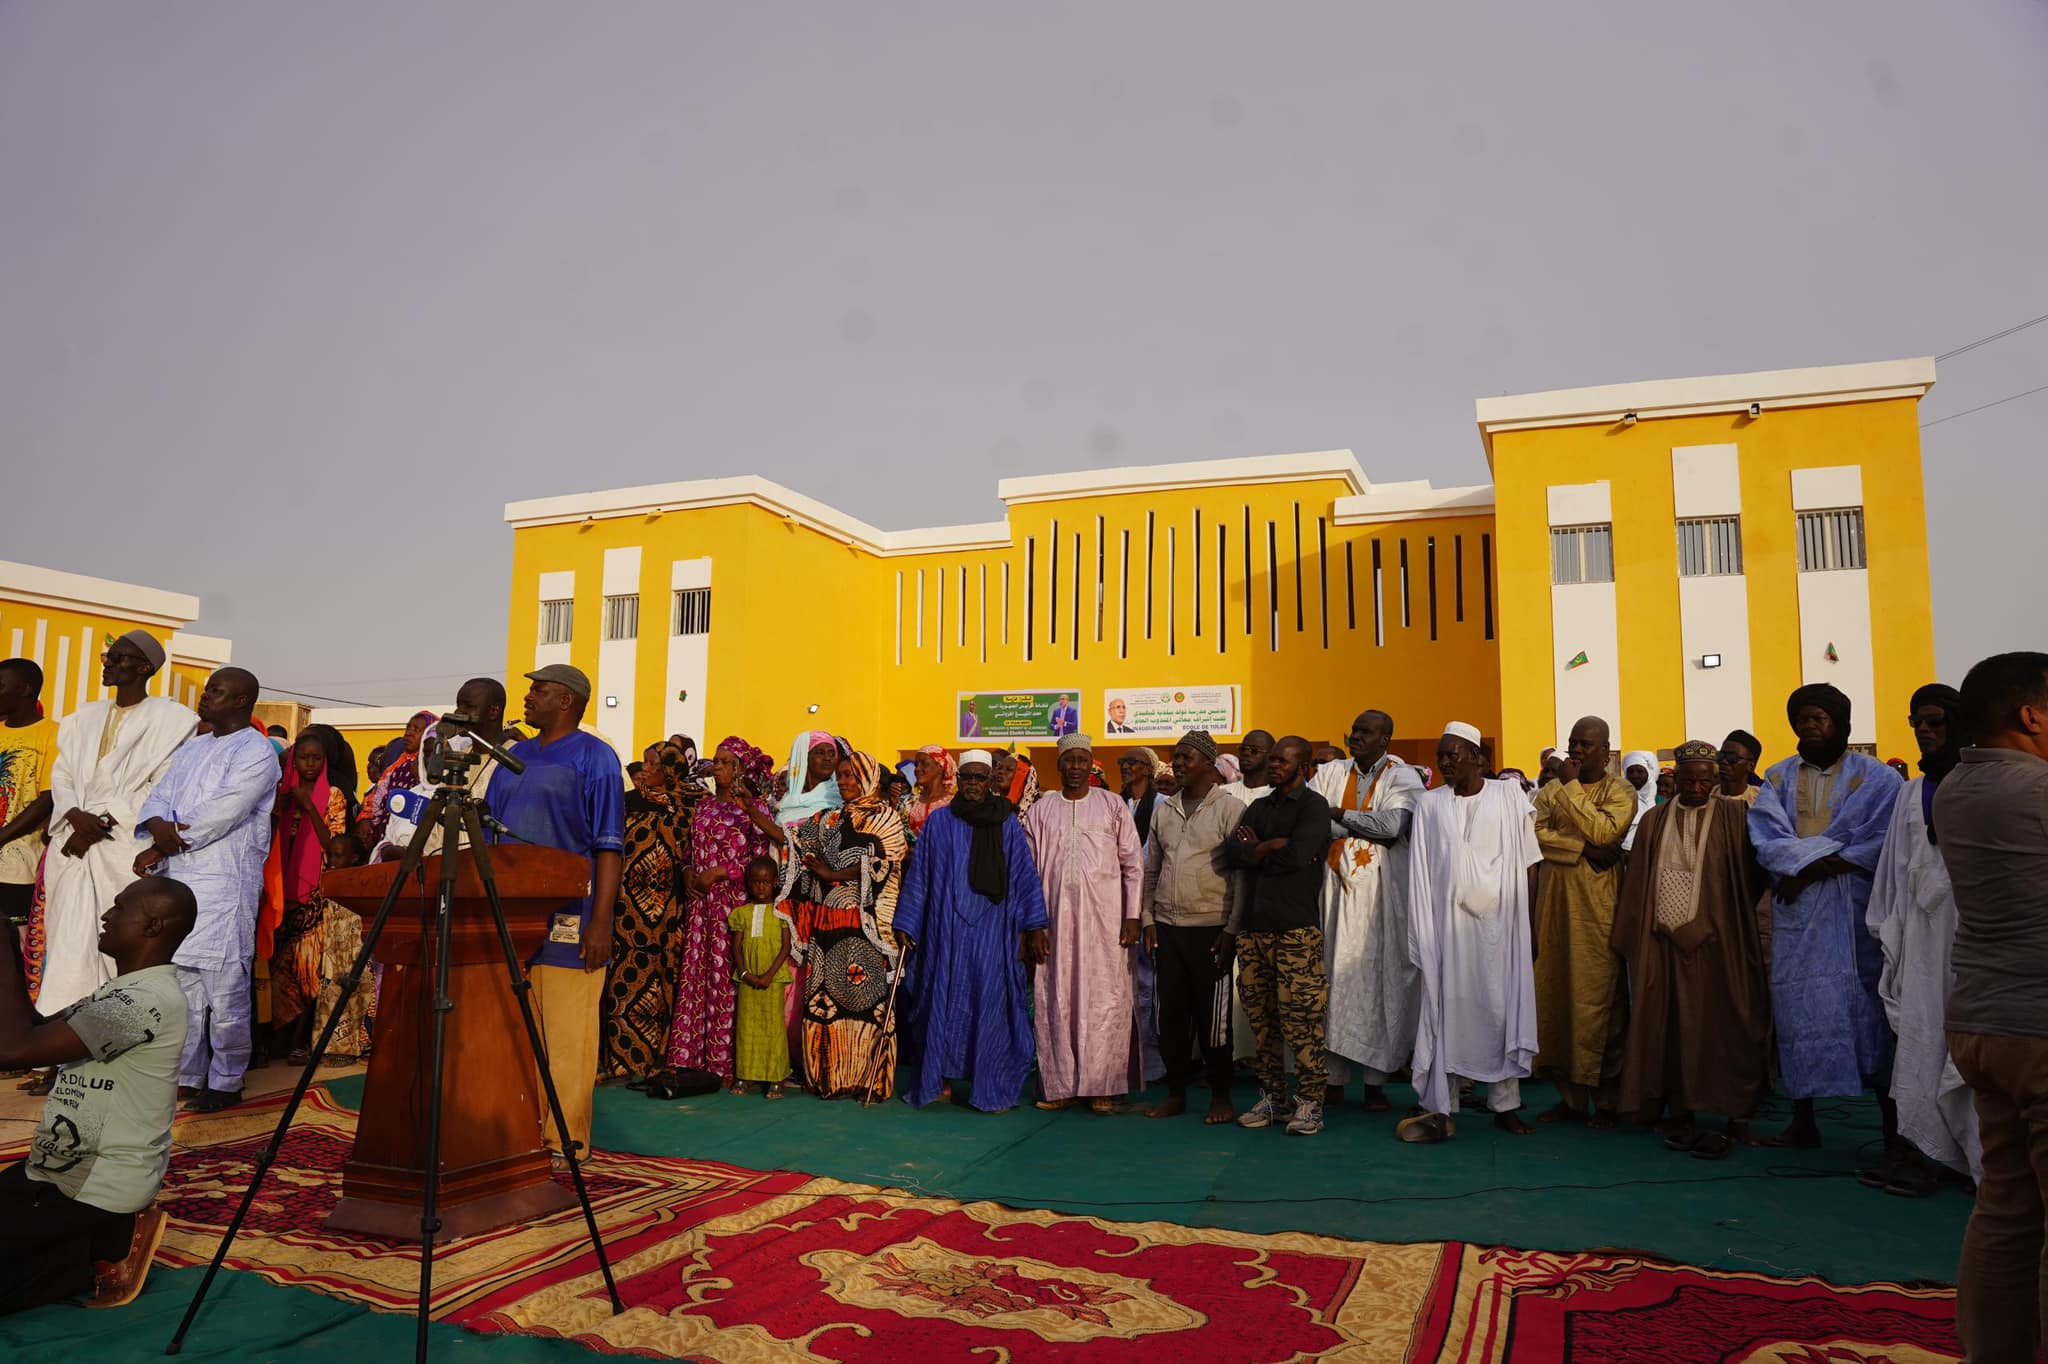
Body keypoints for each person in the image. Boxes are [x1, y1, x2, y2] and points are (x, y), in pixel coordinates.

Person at [0, 876, 196, 1314]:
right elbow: (32, 1029)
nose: (106, 915)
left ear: (152, 926)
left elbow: (13, 1050)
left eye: (120, 908)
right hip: (52, 1174)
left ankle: (106, 1246)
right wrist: (12, 947)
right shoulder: (118, 992)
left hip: (93, 1189)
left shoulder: (147, 1002)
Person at [1935, 652, 2048, 1362]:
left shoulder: (1954, 788)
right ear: (2031, 716)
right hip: (2040, 1027)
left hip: (1982, 1022)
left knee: (2007, 1209)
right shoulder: (2036, 791)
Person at [1749, 681, 1902, 1151]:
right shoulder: (1775, 778)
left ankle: (1893, 1131)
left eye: (1819, 718)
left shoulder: (1878, 778)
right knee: (1799, 1013)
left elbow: (1883, 839)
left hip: (1854, 914)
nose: (1809, 727)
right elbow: (1767, 837)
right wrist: (1800, 867)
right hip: (1799, 917)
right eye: (1802, 719)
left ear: (1841, 723)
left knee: (1871, 1010)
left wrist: (1810, 868)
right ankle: (1803, 1122)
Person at [483, 664, 623, 1160]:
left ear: (566, 701)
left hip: (573, 916)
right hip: (512, 917)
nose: (527, 698)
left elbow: (609, 846)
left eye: (537, 691)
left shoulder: (596, 758)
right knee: (518, 1031)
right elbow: (489, 835)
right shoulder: (511, 757)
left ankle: (566, 1139)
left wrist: (601, 921)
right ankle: (520, 1131)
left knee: (567, 1035)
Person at [1610, 740, 1770, 1156]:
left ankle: (1737, 1116)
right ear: (1674, 779)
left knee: (1730, 1023)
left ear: (1715, 779)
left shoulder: (1736, 817)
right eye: (1688, 779)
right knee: (1670, 1028)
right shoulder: (1654, 820)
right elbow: (1637, 883)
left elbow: (1751, 880)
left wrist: (1724, 923)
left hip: (1720, 945)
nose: (1696, 787)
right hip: (1662, 946)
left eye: (1704, 779)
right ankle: (1679, 1112)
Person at [35, 633, 194, 1040]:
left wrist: (100, 823)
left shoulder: (173, 721)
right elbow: (63, 774)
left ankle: (107, 1039)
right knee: (69, 944)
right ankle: (61, 1045)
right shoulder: (80, 718)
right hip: (71, 840)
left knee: (118, 942)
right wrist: (73, 814)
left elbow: (161, 785)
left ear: (144, 668)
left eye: (118, 658)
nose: (108, 664)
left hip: (122, 845)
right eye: (108, 657)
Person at [133, 667, 276, 1113]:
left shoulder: (257, 752)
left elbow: (225, 810)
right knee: (184, 983)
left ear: (241, 701)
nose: (206, 697)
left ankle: (228, 1078)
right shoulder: (194, 746)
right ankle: (190, 1075)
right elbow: (161, 794)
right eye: (208, 689)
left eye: (216, 691)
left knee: (226, 982)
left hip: (224, 879)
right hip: (179, 875)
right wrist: (158, 826)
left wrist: (167, 837)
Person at [1399, 722, 1542, 1144]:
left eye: (1453, 755)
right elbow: (1421, 873)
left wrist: (1528, 924)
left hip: (1500, 932)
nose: (1444, 762)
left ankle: (1505, 1107)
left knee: (1501, 1011)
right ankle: (1442, 1107)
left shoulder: (1507, 796)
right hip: (1448, 932)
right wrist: (1424, 931)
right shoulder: (1430, 804)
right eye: (1441, 755)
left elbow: (1530, 862)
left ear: (1477, 758)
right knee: (1447, 1012)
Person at [1866, 683, 1980, 1196]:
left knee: (1970, 1048)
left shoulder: (1982, 784)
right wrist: (1891, 930)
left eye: (1935, 721)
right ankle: (1929, 1154)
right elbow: (1893, 869)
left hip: (1973, 938)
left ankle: (1976, 1160)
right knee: (1922, 1039)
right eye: (1917, 723)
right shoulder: (1911, 791)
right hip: (1920, 940)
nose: (1925, 731)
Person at [895, 751, 1049, 1112]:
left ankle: (990, 1088)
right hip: (945, 930)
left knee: (990, 1006)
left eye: (981, 778)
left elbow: (1024, 876)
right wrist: (908, 920)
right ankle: (939, 1079)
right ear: (958, 780)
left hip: (993, 931)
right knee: (940, 1002)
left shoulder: (1007, 822)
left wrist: (1034, 926)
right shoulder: (939, 823)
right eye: (968, 778)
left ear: (991, 780)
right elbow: (920, 876)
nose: (975, 785)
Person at [1311, 709, 1424, 1114]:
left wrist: (1339, 817)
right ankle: (1333, 1080)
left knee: (1381, 981)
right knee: (1332, 979)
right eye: (1353, 729)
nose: (1354, 736)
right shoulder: (1330, 772)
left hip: (1382, 896)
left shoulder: (1402, 775)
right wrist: (1362, 824)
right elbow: (1309, 819)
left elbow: (1394, 826)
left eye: (1364, 732)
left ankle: (1376, 1083)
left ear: (1385, 740)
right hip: (1334, 894)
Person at [1024, 734, 1144, 1114]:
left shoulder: (1111, 806)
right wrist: (1033, 925)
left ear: (1090, 764)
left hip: (1106, 924)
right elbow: (1027, 873)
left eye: (1081, 760)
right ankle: (1060, 1085)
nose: (1074, 766)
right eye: (1068, 760)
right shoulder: (1041, 811)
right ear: (1059, 765)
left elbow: (1133, 864)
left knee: (1104, 998)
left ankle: (1102, 1086)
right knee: (1055, 997)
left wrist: (1133, 915)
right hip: (1053, 924)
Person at [654, 736, 778, 1094]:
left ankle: (725, 1062)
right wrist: (691, 872)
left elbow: (762, 860)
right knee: (698, 976)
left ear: (741, 768)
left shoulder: (754, 809)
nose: (717, 768)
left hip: (734, 905)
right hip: (701, 905)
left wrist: (721, 872)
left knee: (726, 978)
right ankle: (691, 1058)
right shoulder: (706, 806)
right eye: (717, 762)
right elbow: (694, 849)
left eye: (725, 762)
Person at [783, 751, 910, 1101]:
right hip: (827, 922)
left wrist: (833, 873)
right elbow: (795, 845)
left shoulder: (886, 818)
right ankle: (829, 1077)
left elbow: (890, 863)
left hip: (865, 924)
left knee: (864, 999)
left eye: (851, 775)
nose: (843, 781)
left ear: (868, 777)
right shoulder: (827, 818)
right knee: (827, 999)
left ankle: (865, 1077)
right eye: (840, 775)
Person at [1530, 715, 1636, 1127]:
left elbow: (1606, 832)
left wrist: (1570, 787)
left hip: (1598, 909)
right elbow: (1534, 833)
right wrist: (1580, 849)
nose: (1575, 750)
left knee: (1600, 1000)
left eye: (1586, 745)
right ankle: (1571, 1100)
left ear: (1606, 751)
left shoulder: (1620, 789)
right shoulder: (1550, 790)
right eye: (1573, 742)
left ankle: (1607, 1101)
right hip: (1556, 904)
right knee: (1556, 995)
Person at [1226, 735, 1334, 1136]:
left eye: (1281, 761)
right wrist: (1268, 847)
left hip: (1295, 930)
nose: (1272, 766)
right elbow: (1231, 851)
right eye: (1271, 760)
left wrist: (1260, 850)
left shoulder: (1313, 806)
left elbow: (1300, 856)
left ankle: (1310, 1102)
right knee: (1261, 1017)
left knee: (1302, 1019)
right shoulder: (1258, 806)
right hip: (1255, 930)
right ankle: (1273, 1096)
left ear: (1302, 766)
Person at [1140, 730, 1246, 1123]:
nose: (1178, 764)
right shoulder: (1163, 809)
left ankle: (1221, 1096)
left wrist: (1232, 929)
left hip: (1212, 928)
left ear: (1208, 763)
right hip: (1167, 927)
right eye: (1175, 757)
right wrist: (1149, 918)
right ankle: (1176, 1094)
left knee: (1212, 1019)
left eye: (1186, 758)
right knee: (1170, 1016)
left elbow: (1240, 877)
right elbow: (1152, 870)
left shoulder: (1229, 809)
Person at [600, 741, 691, 1083]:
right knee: (625, 982)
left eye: (654, 764)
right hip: (628, 913)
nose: (645, 770)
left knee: (664, 984)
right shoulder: (627, 804)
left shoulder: (687, 808)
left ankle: (657, 1058)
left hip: (669, 913)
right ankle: (623, 1059)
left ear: (669, 771)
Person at [266, 728, 352, 1065]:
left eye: (317, 758)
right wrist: (281, 807)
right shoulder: (279, 793)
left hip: (312, 894)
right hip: (278, 889)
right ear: (294, 760)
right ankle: (274, 1039)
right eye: (304, 758)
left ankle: (300, 1041)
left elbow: (333, 845)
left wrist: (308, 806)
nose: (311, 764)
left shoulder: (333, 796)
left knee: (306, 970)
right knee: (274, 969)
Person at [0, 660, 57, 967]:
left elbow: (47, 798)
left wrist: (3, 836)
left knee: (14, 947)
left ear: (24, 690)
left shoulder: (52, 734)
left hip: (18, 863)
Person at [728, 855, 793, 1098]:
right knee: (747, 1028)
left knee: (773, 1028)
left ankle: (776, 1078)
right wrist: (745, 974)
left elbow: (785, 948)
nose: (761, 887)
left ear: (775, 882)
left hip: (772, 980)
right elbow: (736, 947)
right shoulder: (741, 913)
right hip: (747, 980)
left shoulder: (781, 913)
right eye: (756, 882)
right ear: (749, 883)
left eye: (766, 882)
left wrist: (767, 975)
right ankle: (745, 1076)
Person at [311, 831, 372, 1061]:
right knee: (330, 996)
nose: (332, 861)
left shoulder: (362, 880)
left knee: (357, 996)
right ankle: (330, 1047)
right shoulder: (329, 880)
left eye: (338, 856)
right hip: (333, 951)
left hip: (355, 950)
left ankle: (352, 1047)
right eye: (330, 856)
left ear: (354, 858)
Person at [776, 730, 846, 831]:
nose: (827, 758)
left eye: (832, 754)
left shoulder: (841, 797)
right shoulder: (787, 800)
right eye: (820, 753)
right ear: (805, 757)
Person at [904, 745, 957, 838]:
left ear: (940, 766)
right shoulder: (909, 803)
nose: (917, 769)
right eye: (916, 765)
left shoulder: (954, 803)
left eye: (924, 764)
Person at [1220, 729, 1275, 806]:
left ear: (1270, 756)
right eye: (1243, 749)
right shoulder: (1223, 793)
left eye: (1254, 750)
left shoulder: (1277, 796)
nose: (1246, 753)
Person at [1620, 750, 1658, 850]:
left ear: (1649, 774)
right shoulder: (1619, 798)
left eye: (1640, 771)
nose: (1635, 775)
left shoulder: (1659, 800)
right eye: (1631, 771)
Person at [1719, 730, 1764, 804]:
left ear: (1750, 766)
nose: (1724, 761)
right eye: (1721, 755)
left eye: (1732, 757)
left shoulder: (1762, 801)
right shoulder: (1707, 795)